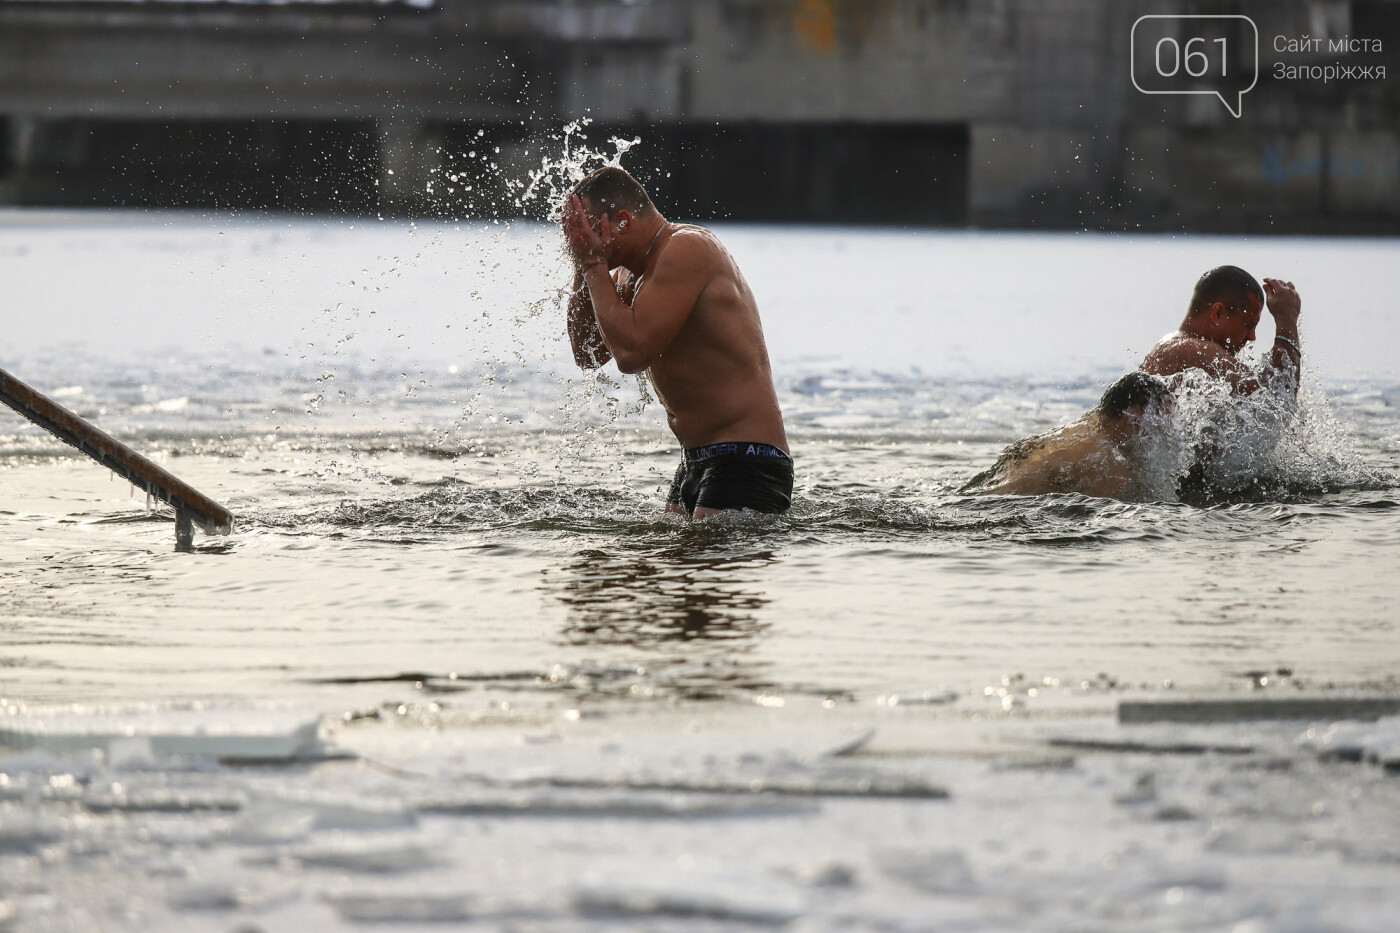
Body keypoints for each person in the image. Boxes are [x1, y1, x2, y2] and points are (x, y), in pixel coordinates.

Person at [560, 166, 792, 519]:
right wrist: (583, 265)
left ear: (622, 221)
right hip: (695, 460)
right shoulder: (625, 274)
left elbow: (632, 354)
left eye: (588, 230)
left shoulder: (686, 248)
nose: (582, 239)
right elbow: (586, 353)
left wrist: (593, 265)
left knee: (698, 563)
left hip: (747, 455)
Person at [962, 373, 1172, 500]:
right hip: (998, 508)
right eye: (1158, 419)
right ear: (1131, 416)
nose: (1163, 431)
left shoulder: (1080, 432)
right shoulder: (1109, 464)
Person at [1140, 265, 1303, 394]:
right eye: (1249, 325)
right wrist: (1286, 320)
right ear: (1217, 313)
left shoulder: (1170, 344)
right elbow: (1277, 398)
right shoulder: (1196, 351)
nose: (1252, 337)